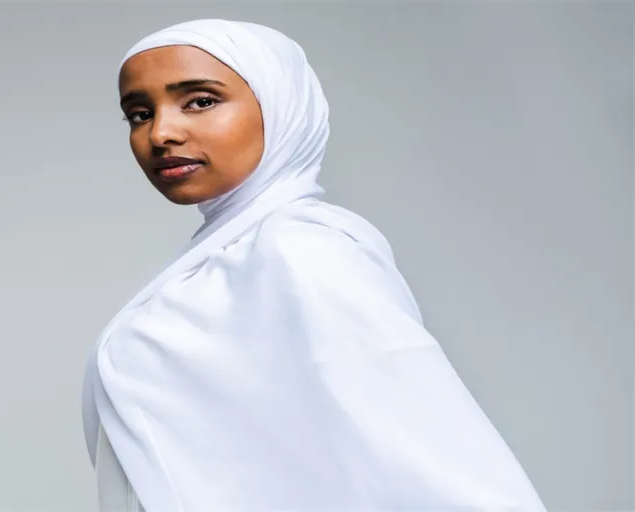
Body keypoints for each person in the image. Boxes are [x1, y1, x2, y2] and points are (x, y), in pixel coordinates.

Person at [80, 19, 546, 512]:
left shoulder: (301, 252)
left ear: (280, 105)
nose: (161, 132)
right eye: (139, 113)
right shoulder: (223, 256)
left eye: (200, 100)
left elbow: (428, 456)